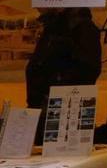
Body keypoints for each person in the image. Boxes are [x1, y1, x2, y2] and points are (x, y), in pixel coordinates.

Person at [26, 8, 102, 142]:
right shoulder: (54, 28)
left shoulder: (77, 28)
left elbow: (88, 69)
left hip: (61, 107)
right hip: (48, 107)